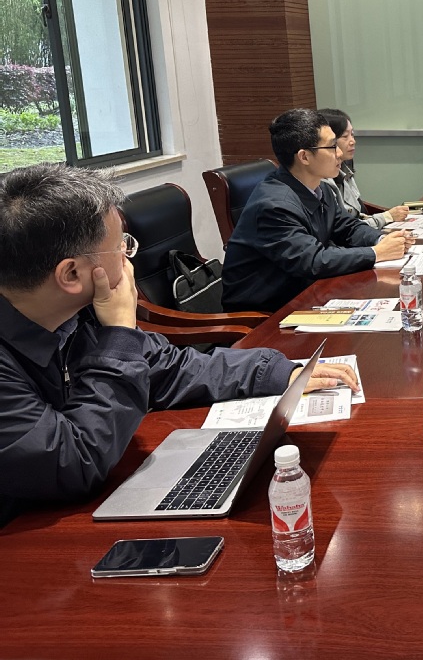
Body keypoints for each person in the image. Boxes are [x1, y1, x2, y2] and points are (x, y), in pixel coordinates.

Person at [0, 163, 359, 526]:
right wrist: (120, 333)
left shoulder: (81, 313)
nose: (127, 257)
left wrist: (274, 372)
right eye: (121, 247)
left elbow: (168, 367)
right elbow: (73, 462)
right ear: (71, 274)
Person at [221, 108, 414, 313]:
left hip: (308, 292)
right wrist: (376, 253)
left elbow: (346, 227)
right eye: (332, 146)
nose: (339, 153)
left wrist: (381, 240)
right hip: (267, 312)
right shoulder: (274, 205)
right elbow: (312, 261)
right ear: (304, 157)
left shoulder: (320, 188)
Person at [317, 108, 410, 230]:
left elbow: (358, 213)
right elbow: (344, 229)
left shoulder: (345, 167)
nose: (353, 141)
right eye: (345, 136)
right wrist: (386, 217)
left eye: (352, 134)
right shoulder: (320, 182)